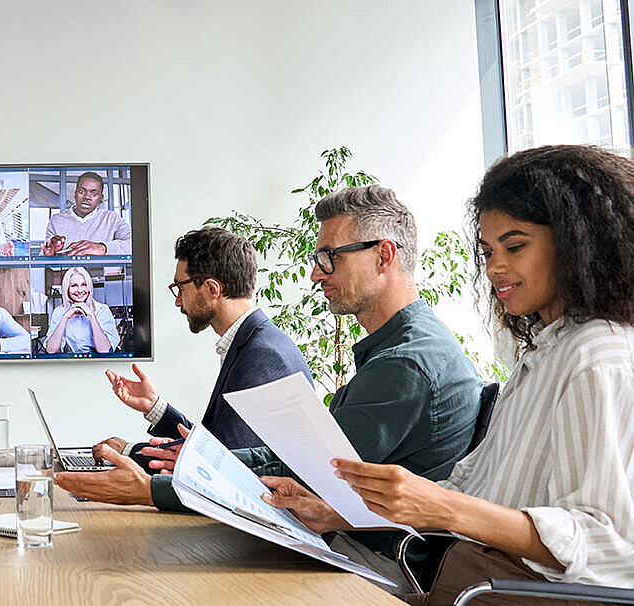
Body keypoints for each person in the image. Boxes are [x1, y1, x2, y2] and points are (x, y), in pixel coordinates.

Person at [267, 145, 634, 605]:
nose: (495, 267)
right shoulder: (544, 351)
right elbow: (468, 490)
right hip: (465, 581)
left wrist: (442, 507)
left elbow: (607, 543)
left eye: (515, 246)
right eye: (488, 251)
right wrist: (339, 514)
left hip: (499, 593)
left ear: (577, 244)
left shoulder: (597, 357)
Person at [61, 186, 481, 579]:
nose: (316, 274)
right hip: (350, 543)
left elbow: (303, 475)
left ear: (383, 256)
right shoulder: (399, 349)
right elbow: (286, 459)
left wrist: (152, 488)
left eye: (329, 258)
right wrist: (174, 460)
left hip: (372, 562)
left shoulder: (405, 364)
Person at [56, 227, 311, 509]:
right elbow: (215, 449)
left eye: (181, 288)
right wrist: (155, 407)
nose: (178, 300)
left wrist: (130, 452)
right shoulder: (253, 342)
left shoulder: (261, 354)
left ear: (212, 289)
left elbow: (222, 470)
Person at [41, 171, 132, 256]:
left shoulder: (111, 218)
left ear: (100, 198)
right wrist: (50, 256)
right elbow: (45, 253)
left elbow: (133, 244)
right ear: (75, 194)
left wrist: (103, 248)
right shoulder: (57, 220)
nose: (87, 197)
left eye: (94, 194)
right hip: (66, 269)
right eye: (82, 191)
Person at [42, 266, 120, 354]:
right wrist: (65, 317)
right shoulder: (59, 311)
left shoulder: (102, 310)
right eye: (73, 286)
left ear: (89, 287)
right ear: (67, 289)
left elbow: (105, 350)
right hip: (71, 360)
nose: (80, 290)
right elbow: (51, 350)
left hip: (97, 361)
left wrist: (92, 316)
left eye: (84, 285)